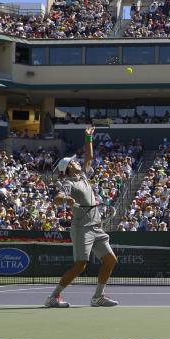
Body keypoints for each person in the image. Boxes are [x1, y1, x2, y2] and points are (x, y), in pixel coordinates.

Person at [45, 126, 119, 308]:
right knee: (81, 265)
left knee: (110, 260)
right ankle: (53, 297)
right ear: (69, 168)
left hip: (96, 226)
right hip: (82, 228)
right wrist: (66, 199)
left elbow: (89, 157)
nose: (77, 162)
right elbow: (57, 198)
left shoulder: (84, 176)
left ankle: (98, 297)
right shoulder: (68, 182)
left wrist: (88, 139)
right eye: (73, 162)